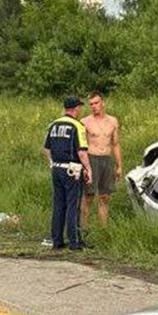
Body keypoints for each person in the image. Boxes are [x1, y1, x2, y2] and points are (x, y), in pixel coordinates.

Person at [43, 96, 92, 250]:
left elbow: (46, 148)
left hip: (56, 168)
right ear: (76, 108)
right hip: (72, 170)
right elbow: (82, 152)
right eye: (79, 107)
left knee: (59, 205)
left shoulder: (53, 125)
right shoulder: (77, 126)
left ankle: (57, 240)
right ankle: (74, 242)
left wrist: (52, 163)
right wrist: (88, 169)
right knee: (73, 205)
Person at [81, 91, 123, 229]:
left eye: (96, 103)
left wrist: (119, 166)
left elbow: (116, 144)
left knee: (105, 197)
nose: (94, 106)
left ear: (103, 103)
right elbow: (81, 147)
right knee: (88, 196)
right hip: (91, 158)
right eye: (91, 104)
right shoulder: (85, 122)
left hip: (107, 159)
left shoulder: (113, 121)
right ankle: (83, 229)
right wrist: (84, 166)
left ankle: (102, 229)